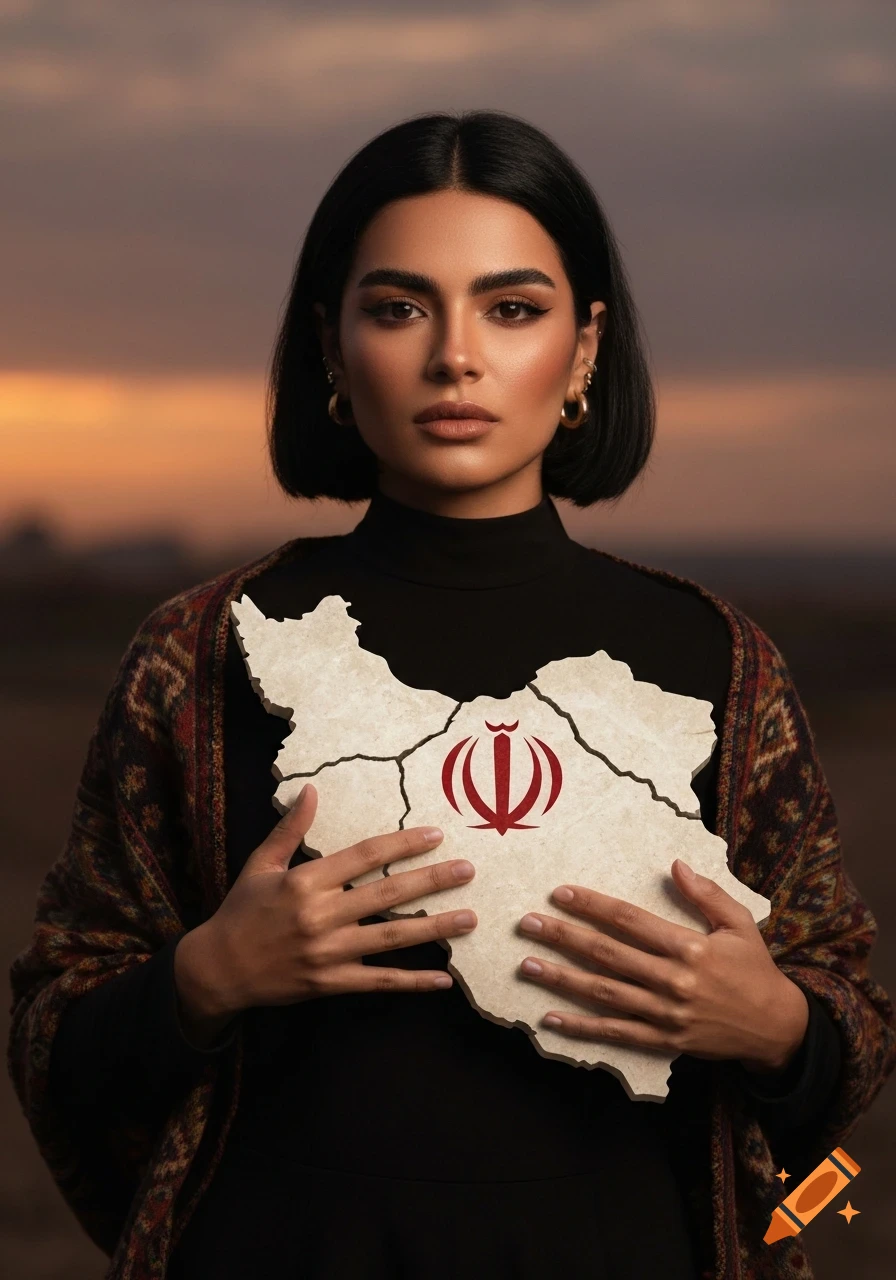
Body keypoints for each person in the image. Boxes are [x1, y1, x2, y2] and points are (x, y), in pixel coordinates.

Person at [8, 109, 895, 1280]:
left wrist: (777, 1025)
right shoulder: (199, 651)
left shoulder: (718, 659)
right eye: (397, 307)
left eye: (511, 308)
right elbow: (51, 1031)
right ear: (330, 344)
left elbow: (851, 1026)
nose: (454, 356)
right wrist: (204, 978)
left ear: (581, 348)